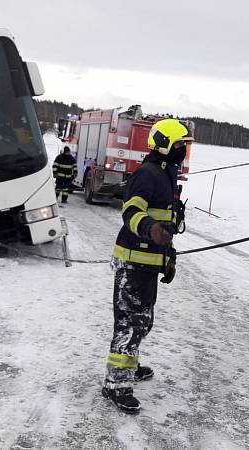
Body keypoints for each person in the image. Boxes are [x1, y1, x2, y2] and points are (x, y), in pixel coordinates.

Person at [101, 118, 193, 413]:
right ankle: (115, 384)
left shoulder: (167, 175)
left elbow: (167, 227)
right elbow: (130, 212)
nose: (183, 150)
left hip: (149, 264)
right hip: (132, 261)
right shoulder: (148, 174)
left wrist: (169, 258)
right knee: (129, 324)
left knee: (142, 321)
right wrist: (149, 227)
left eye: (185, 145)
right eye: (180, 144)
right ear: (164, 144)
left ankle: (130, 364)